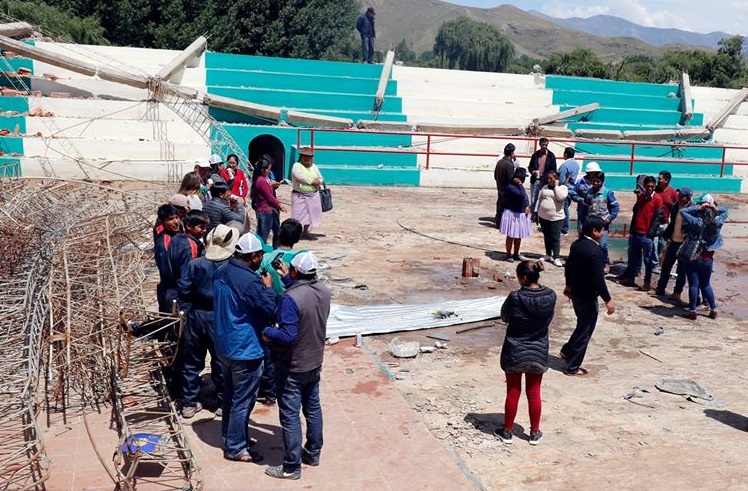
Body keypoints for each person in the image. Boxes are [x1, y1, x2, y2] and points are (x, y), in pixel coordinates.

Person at [262, 252, 332, 480]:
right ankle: (313, 452)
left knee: (290, 415)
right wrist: (288, 279)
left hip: (293, 365)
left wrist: (268, 332)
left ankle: (291, 466)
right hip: (314, 360)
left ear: (295, 271)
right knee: (312, 408)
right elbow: (305, 297)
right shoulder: (323, 290)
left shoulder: (289, 299)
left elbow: (288, 335)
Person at [213, 233, 277, 463]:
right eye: (260, 256)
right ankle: (236, 446)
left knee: (231, 395)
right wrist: (268, 288)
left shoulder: (221, 270)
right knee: (243, 399)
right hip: (244, 347)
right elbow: (270, 309)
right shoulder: (249, 281)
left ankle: (232, 436)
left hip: (224, 343)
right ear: (253, 256)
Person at [177, 224, 239, 419]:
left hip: (196, 316)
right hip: (219, 317)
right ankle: (222, 401)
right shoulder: (231, 266)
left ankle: (188, 402)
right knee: (221, 361)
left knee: (192, 361)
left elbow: (183, 290)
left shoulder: (195, 265)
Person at [493, 260, 556, 446]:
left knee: (513, 391)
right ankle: (534, 433)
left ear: (524, 278)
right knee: (534, 392)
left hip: (514, 349)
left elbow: (504, 316)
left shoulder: (515, 297)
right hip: (538, 349)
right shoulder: (551, 295)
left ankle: (507, 431)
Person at [256, 219, 305, 406]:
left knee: (269, 348)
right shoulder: (298, 259)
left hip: (271, 303)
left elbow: (258, 276)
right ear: (297, 238)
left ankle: (269, 391)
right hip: (293, 305)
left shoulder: (267, 257)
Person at [561, 216, 615, 375]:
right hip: (587, 295)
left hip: (576, 292)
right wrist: (608, 299)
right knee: (585, 330)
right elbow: (598, 279)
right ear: (595, 231)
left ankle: (567, 350)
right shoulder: (596, 251)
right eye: (602, 230)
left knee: (582, 325)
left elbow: (568, 267)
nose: (604, 233)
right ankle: (572, 367)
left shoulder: (576, 245)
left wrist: (568, 285)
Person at [680, 194, 727, 320]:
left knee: (694, 285)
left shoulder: (697, 222)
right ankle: (713, 309)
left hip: (695, 257)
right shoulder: (718, 222)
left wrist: (698, 208)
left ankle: (692, 311)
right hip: (708, 259)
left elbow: (683, 211)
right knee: (706, 284)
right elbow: (725, 211)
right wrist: (715, 208)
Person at [618, 175, 664, 291]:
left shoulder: (658, 199)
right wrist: (633, 230)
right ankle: (630, 279)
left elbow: (658, 218)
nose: (650, 189)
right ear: (644, 186)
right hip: (636, 232)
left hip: (647, 235)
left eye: (652, 187)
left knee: (648, 260)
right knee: (634, 258)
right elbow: (636, 212)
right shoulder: (641, 197)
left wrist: (650, 234)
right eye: (648, 186)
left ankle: (647, 282)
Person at [655, 186, 695, 300]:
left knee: (682, 270)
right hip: (673, 241)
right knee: (666, 267)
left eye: (681, 195)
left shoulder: (693, 209)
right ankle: (660, 289)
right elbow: (672, 223)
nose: (679, 197)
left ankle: (677, 293)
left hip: (684, 244)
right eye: (679, 194)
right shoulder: (675, 206)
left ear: (687, 198)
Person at [581, 172, 619, 266]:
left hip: (602, 224)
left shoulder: (607, 192)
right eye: (594, 181)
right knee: (589, 244)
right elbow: (584, 209)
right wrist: (581, 224)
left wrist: (610, 218)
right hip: (590, 223)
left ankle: (605, 262)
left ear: (602, 182)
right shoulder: (588, 193)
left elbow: (616, 207)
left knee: (602, 245)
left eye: (598, 181)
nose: (596, 183)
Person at [251, 157, 285, 248]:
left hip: (270, 210)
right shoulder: (261, 180)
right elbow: (269, 196)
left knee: (277, 230)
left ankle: (275, 249)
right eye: (268, 170)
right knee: (263, 235)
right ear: (263, 170)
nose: (270, 171)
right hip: (264, 210)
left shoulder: (265, 179)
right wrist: (279, 205)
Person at [499, 167, 532, 262]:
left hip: (520, 213)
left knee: (518, 236)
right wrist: (520, 185)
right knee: (511, 235)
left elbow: (524, 197)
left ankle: (516, 254)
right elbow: (521, 195)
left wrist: (527, 206)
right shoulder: (511, 187)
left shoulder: (519, 187)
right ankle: (508, 254)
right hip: (512, 214)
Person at [534, 171, 567, 267]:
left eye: (552, 178)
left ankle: (556, 257)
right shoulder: (544, 187)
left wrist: (556, 186)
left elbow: (560, 197)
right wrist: (536, 212)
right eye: (548, 178)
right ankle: (548, 254)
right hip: (543, 217)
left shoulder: (562, 188)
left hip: (557, 218)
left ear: (556, 179)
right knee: (547, 236)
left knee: (555, 238)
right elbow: (539, 199)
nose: (549, 180)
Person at [291, 147, 324, 240]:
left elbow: (321, 177)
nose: (307, 158)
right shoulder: (296, 166)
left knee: (310, 214)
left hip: (312, 195)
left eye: (309, 157)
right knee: (298, 215)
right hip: (299, 195)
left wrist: (319, 182)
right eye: (305, 156)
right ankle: (296, 232)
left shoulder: (314, 167)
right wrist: (312, 182)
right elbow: (299, 177)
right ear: (301, 157)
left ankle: (305, 232)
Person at [154, 204, 182, 313]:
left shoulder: (176, 234)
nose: (175, 222)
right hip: (171, 289)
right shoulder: (165, 242)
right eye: (170, 219)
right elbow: (167, 270)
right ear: (162, 222)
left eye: (176, 217)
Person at [654, 170, 679, 265]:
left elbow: (677, 208)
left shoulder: (673, 193)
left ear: (667, 180)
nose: (658, 180)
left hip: (665, 223)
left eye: (660, 179)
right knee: (653, 245)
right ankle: (654, 265)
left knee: (662, 245)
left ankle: (661, 264)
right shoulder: (654, 190)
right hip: (653, 223)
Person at [570, 161, 602, 235]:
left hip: (596, 212)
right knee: (582, 232)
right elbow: (573, 194)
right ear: (590, 173)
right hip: (582, 212)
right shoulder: (580, 182)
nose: (597, 174)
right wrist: (580, 199)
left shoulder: (601, 182)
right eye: (595, 172)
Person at [527, 138, 557, 217]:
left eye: (546, 145)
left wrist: (550, 178)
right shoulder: (535, 155)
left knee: (545, 199)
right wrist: (533, 172)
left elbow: (554, 169)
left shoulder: (551, 156)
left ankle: (542, 216)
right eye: (543, 145)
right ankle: (532, 216)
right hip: (536, 180)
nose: (544, 146)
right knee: (534, 199)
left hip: (546, 181)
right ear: (539, 145)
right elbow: (530, 167)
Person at [557, 147, 580, 235]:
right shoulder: (576, 164)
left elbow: (562, 179)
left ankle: (564, 228)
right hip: (572, 188)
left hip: (565, 189)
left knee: (564, 208)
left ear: (566, 154)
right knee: (566, 207)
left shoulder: (565, 165)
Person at [494, 143, 516, 227]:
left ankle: (498, 221)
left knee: (500, 204)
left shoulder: (500, 162)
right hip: (506, 189)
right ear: (511, 153)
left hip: (500, 186)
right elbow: (510, 179)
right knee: (505, 206)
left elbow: (495, 176)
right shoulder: (509, 164)